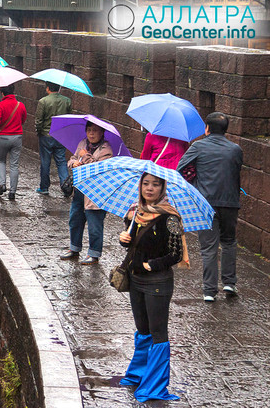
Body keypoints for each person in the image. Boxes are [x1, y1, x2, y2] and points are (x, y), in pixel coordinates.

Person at [118, 173, 186, 402]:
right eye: (145, 184)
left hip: (157, 283)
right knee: (142, 329)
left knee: (158, 332)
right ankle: (139, 373)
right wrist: (124, 237)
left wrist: (151, 265)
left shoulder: (170, 218)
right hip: (135, 280)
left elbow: (175, 254)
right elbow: (133, 245)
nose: (149, 188)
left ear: (162, 188)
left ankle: (154, 386)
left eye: (155, 185)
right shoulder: (136, 213)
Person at [177, 112, 243, 302]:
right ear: (226, 129)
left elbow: (181, 168)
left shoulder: (198, 146)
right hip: (230, 203)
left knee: (208, 248)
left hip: (205, 202)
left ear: (206, 128)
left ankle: (209, 291)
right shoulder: (235, 149)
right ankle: (229, 282)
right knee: (229, 242)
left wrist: (196, 182)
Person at [61, 122, 113, 264]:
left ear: (102, 132)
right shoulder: (82, 143)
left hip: (95, 192)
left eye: (95, 130)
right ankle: (74, 248)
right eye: (89, 130)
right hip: (79, 189)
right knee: (75, 219)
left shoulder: (106, 149)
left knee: (94, 223)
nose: (91, 133)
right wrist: (73, 163)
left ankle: (94, 253)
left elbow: (98, 168)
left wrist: (84, 157)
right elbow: (73, 158)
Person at [35, 81, 73, 196]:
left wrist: (39, 131)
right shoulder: (67, 101)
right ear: (59, 88)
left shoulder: (43, 101)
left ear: (47, 89)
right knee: (61, 161)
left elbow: (39, 120)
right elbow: (69, 118)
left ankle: (44, 187)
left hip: (46, 135)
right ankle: (66, 187)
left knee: (45, 161)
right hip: (60, 135)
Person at [0, 84, 27, 201]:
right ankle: (12, 192)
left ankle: (2, 185)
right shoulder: (20, 105)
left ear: (3, 93)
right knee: (14, 164)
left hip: (4, 137)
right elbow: (23, 119)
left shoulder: (0, 105)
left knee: (1, 161)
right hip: (17, 137)